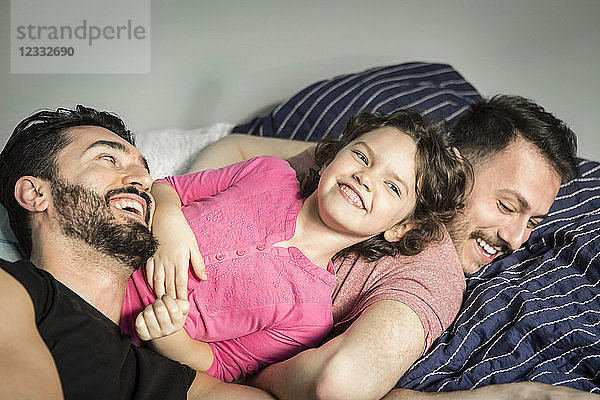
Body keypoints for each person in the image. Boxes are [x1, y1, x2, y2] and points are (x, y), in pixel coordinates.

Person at [186, 95, 595, 399]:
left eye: (533, 222)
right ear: (452, 168)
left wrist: (244, 370)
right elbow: (238, 148)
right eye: (507, 206)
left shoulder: (435, 271)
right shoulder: (367, 169)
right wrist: (197, 224)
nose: (516, 238)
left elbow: (339, 382)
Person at [119, 110, 469, 382]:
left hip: (124, 345)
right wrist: (168, 222)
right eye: (362, 157)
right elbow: (167, 188)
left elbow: (226, 364)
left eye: (393, 187)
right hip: (99, 266)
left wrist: (170, 338)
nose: (366, 177)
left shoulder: (310, 316)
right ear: (329, 160)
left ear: (399, 227)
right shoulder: (267, 173)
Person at [0, 105, 275, 399]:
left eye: (145, 170)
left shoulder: (157, 372)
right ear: (35, 194)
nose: (143, 181)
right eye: (107, 159)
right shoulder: (13, 290)